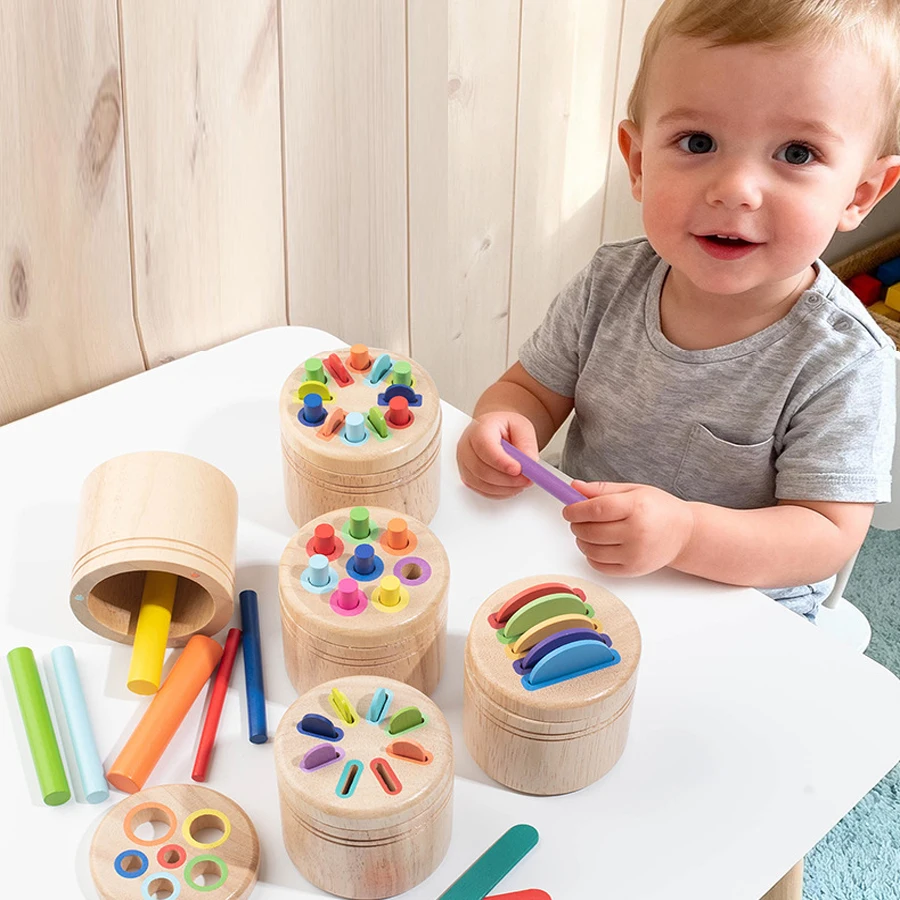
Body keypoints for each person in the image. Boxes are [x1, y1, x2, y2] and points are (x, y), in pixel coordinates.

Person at [456, 0, 900, 620]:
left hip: (742, 614)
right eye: (698, 142)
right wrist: (500, 425)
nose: (736, 189)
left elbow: (824, 536)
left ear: (859, 195)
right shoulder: (609, 282)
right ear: (638, 162)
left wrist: (686, 533)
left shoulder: (844, 361)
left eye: (796, 153)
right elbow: (530, 390)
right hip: (583, 567)